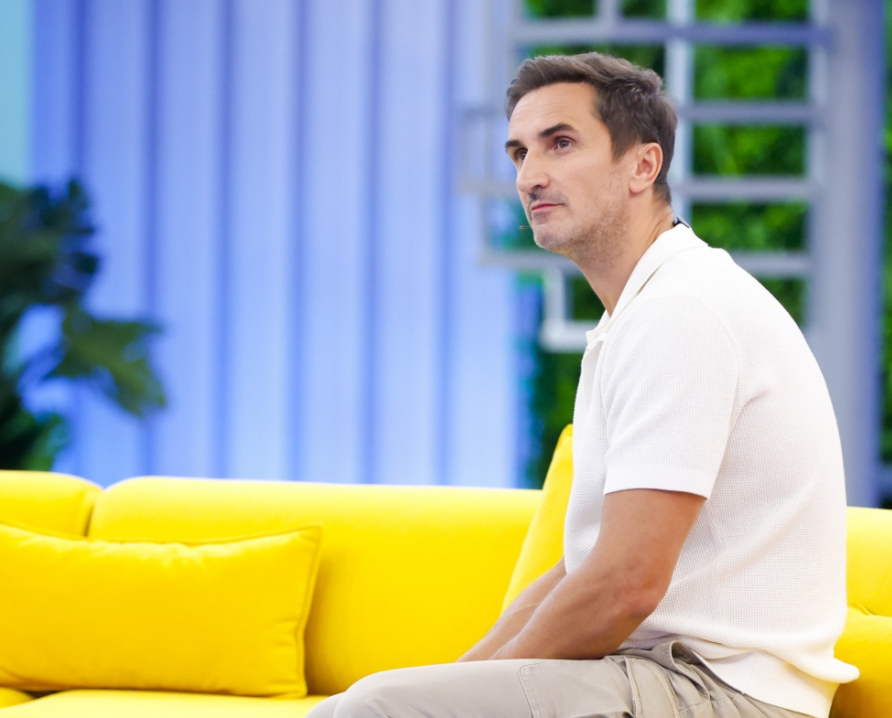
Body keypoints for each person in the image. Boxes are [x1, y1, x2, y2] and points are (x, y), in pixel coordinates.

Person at [307, 51, 857, 718]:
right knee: (367, 705)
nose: (529, 176)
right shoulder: (638, 315)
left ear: (643, 166)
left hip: (720, 695)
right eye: (519, 153)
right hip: (661, 678)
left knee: (371, 711)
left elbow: (625, 584)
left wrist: (455, 701)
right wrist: (455, 682)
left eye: (560, 143)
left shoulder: (683, 313)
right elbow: (586, 568)